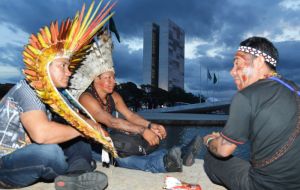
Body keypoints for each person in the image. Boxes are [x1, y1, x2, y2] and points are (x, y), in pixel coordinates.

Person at [0, 2, 115, 189]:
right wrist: (85, 128)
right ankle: (72, 171)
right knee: (50, 153)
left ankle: (76, 176)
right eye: (63, 66)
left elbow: (75, 119)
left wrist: (90, 126)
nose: (69, 72)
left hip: (27, 153)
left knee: (76, 136)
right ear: (45, 67)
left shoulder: (56, 95)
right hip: (5, 163)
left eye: (69, 67)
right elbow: (41, 134)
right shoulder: (27, 89)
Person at [68, 31, 203, 173]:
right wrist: (143, 130)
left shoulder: (113, 96)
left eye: (113, 78)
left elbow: (131, 116)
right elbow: (111, 122)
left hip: (108, 140)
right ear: (96, 79)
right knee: (124, 158)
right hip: (90, 147)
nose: (113, 82)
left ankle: (181, 153)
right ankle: (165, 163)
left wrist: (151, 125)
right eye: (108, 78)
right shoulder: (86, 98)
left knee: (136, 146)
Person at [203, 36, 300, 189]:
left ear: (259, 62)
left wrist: (209, 140)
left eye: (238, 64)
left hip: (263, 185)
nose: (232, 71)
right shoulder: (295, 89)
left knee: (211, 159)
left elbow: (223, 151)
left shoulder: (246, 96)